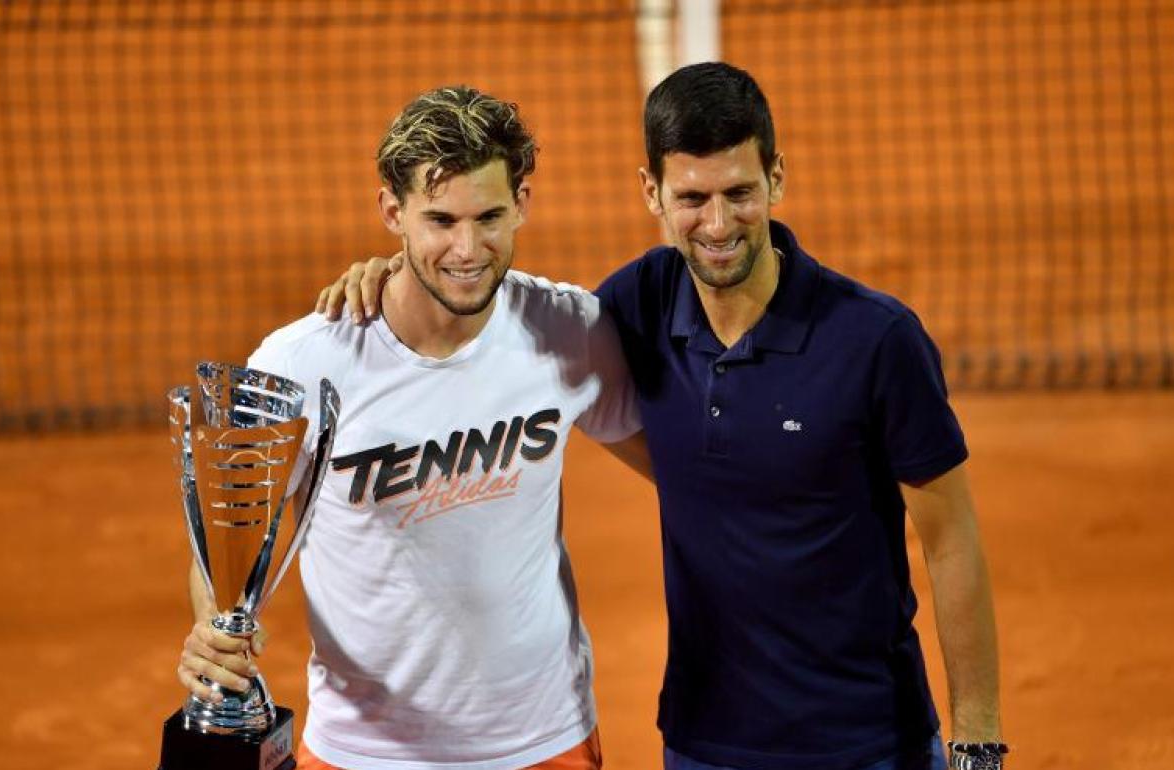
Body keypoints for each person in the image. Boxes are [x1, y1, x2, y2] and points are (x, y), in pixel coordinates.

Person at [319, 62, 1006, 770]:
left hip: (870, 740)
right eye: (692, 198)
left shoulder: (876, 340)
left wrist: (978, 742)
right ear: (652, 192)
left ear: (776, 179)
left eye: (739, 193)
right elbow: (490, 315)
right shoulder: (632, 310)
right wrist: (394, 276)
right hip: (704, 740)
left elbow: (951, 540)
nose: (718, 224)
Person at [178, 85, 650, 770]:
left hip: (543, 740)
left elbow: (682, 471)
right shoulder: (304, 362)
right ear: (391, 212)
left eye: (489, 216)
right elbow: (226, 543)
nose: (467, 248)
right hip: (364, 751)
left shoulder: (569, 331)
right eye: (440, 220)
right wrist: (212, 625)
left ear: (522, 202)